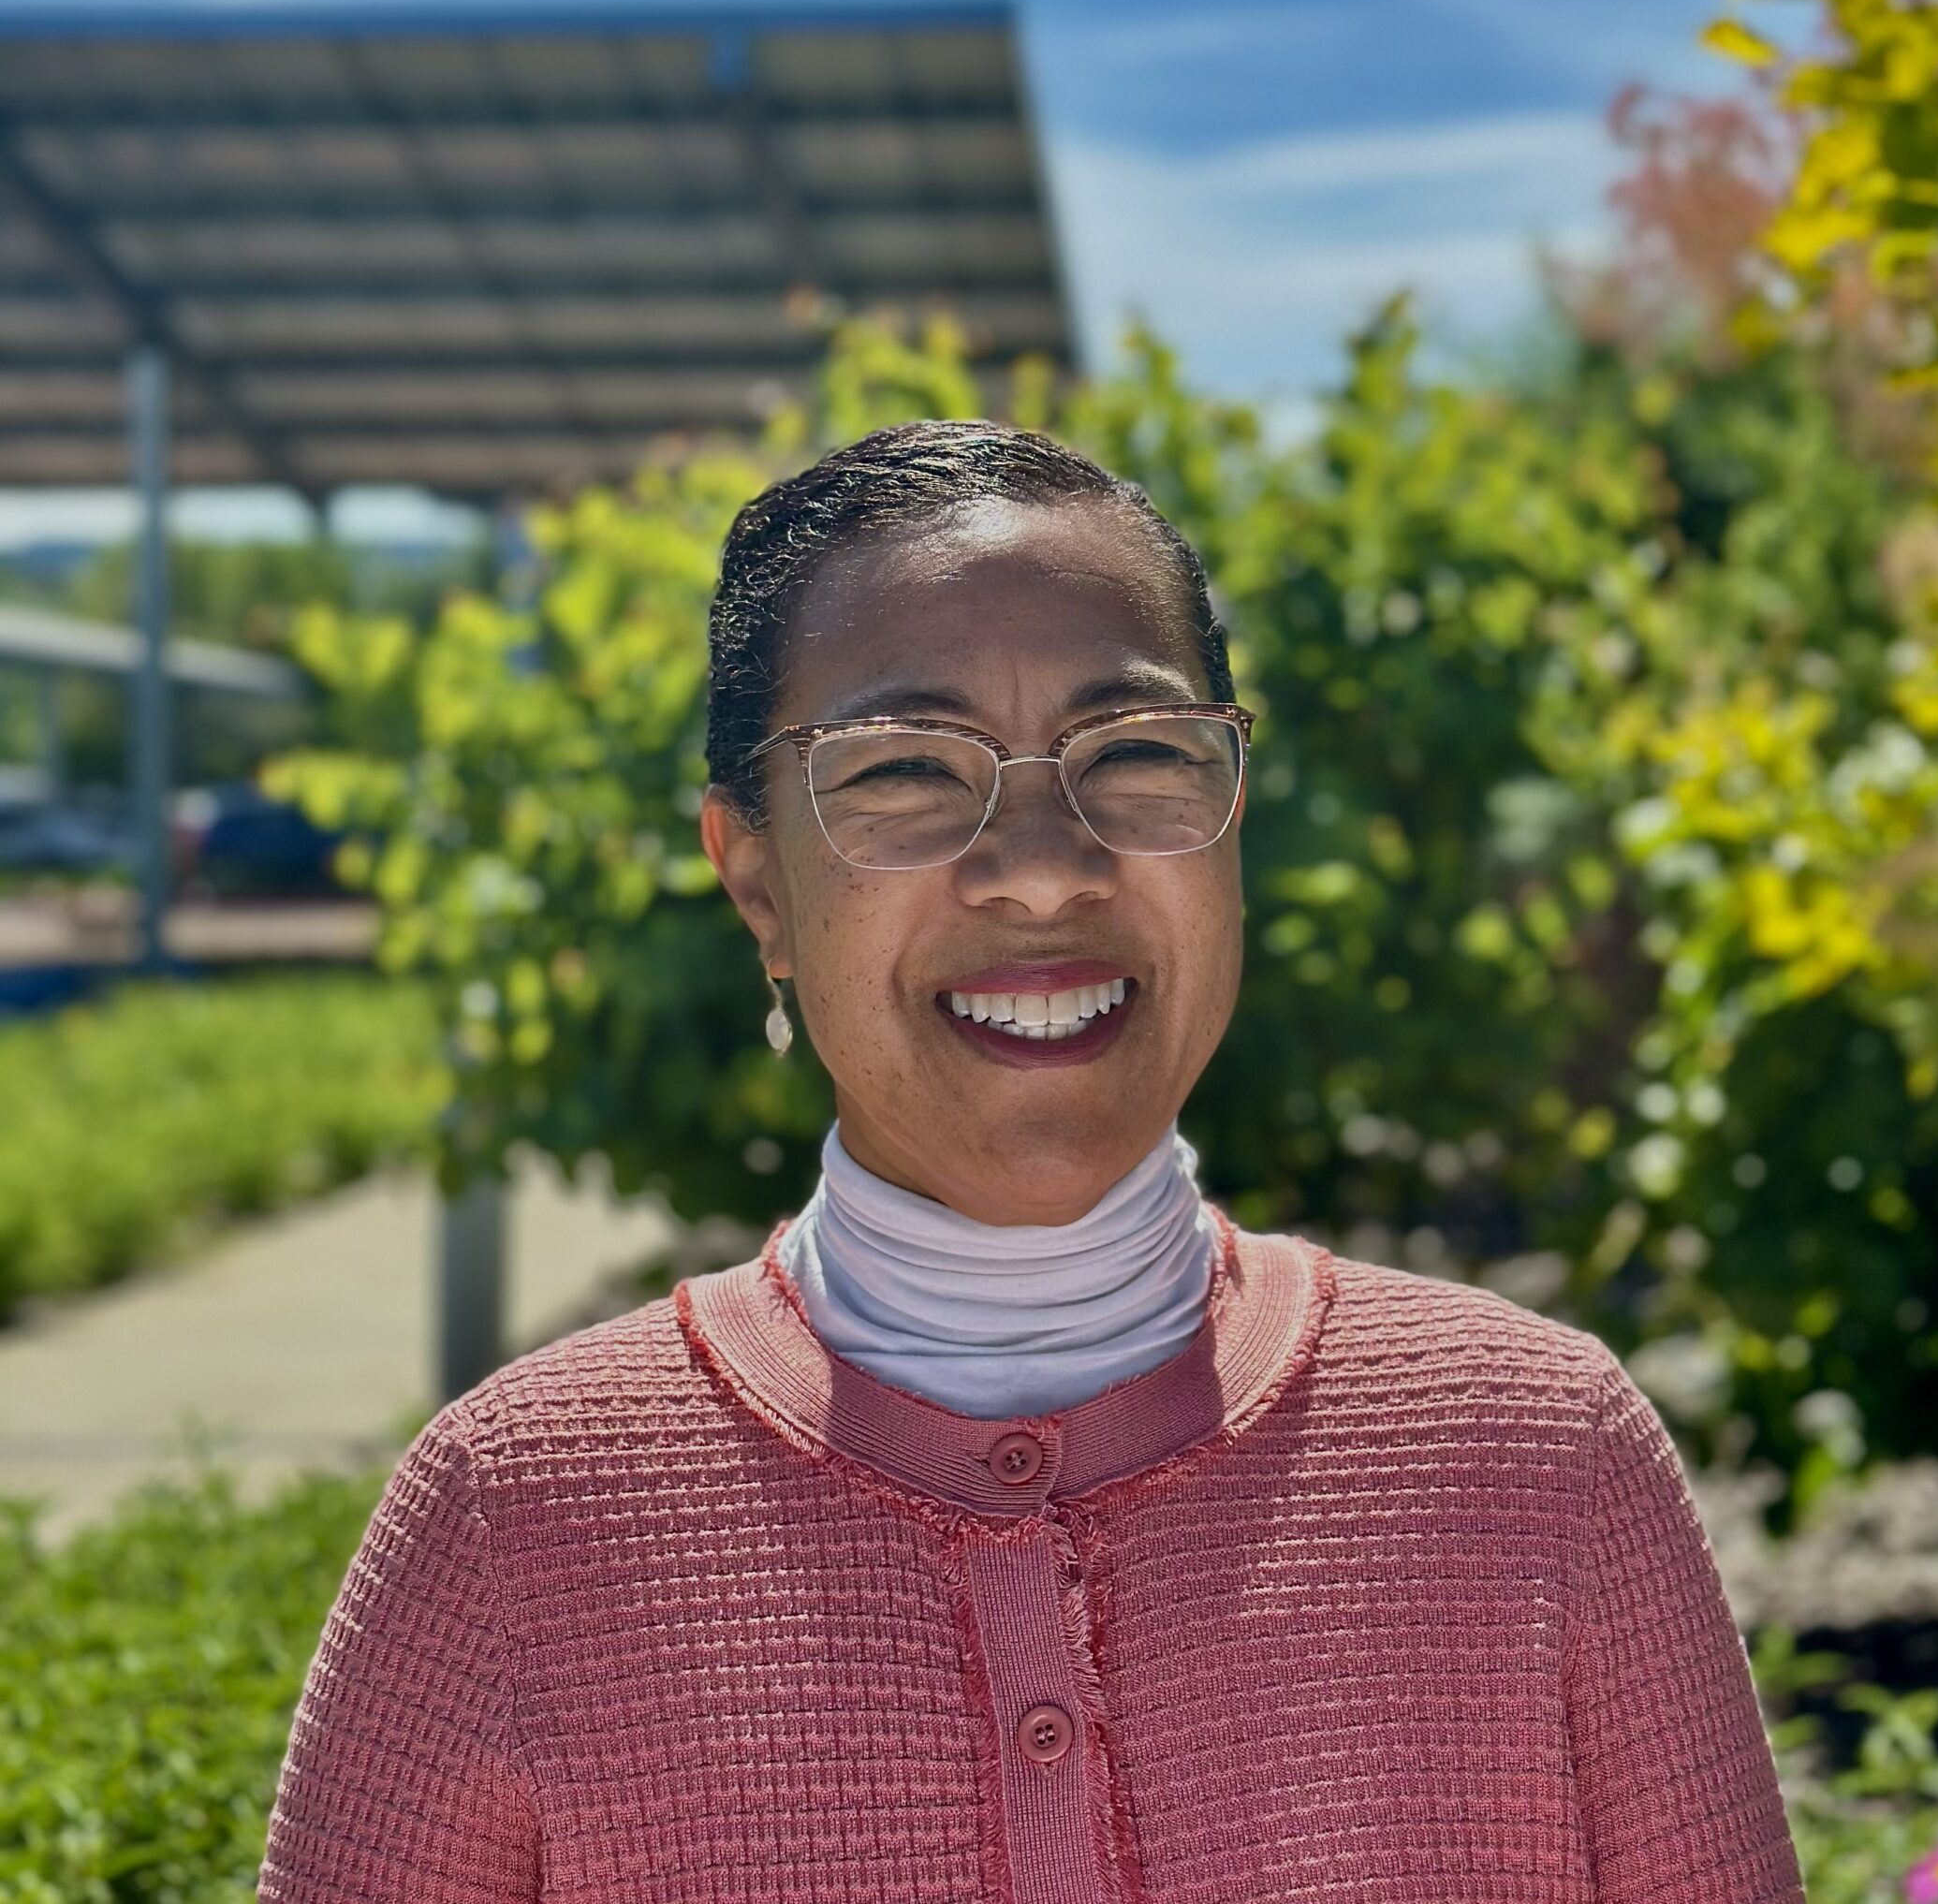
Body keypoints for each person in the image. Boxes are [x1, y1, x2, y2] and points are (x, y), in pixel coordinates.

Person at [259, 420, 1803, 1904]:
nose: (1044, 866)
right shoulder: (515, 1526)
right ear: (754, 881)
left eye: (1132, 750)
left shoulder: (1539, 1461)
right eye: (904, 773)